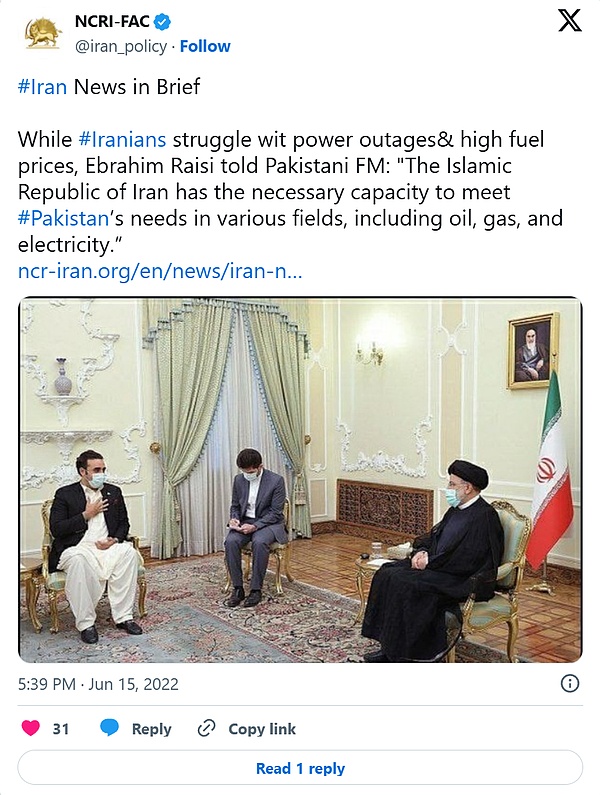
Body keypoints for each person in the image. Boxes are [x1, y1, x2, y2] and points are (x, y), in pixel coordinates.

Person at [361, 460, 504, 662]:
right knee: (387, 572)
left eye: (452, 484)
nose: (448, 488)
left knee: (406, 583)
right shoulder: (457, 509)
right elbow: (433, 537)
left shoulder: (485, 516)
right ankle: (388, 645)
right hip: (439, 567)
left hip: (462, 577)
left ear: (468, 488)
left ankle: (408, 653)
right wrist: (421, 552)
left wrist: (430, 562)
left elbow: (470, 558)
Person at [49, 450, 143, 644]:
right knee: (78, 560)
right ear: (83, 472)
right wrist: (86, 514)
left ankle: (123, 617)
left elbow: (124, 523)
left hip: (107, 546)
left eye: (103, 469)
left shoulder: (113, 491)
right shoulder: (65, 494)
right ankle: (86, 624)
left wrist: (114, 540)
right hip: (77, 548)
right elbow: (57, 529)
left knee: (129, 553)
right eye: (97, 470)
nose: (102, 473)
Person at [224, 448, 287, 608]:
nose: (247, 474)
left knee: (259, 542)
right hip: (245, 522)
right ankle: (238, 588)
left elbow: (275, 513)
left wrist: (255, 526)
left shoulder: (276, 481)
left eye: (251, 472)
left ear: (260, 467)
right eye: (244, 471)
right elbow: (235, 505)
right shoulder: (239, 480)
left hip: (269, 524)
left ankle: (256, 590)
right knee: (230, 541)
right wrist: (234, 519)